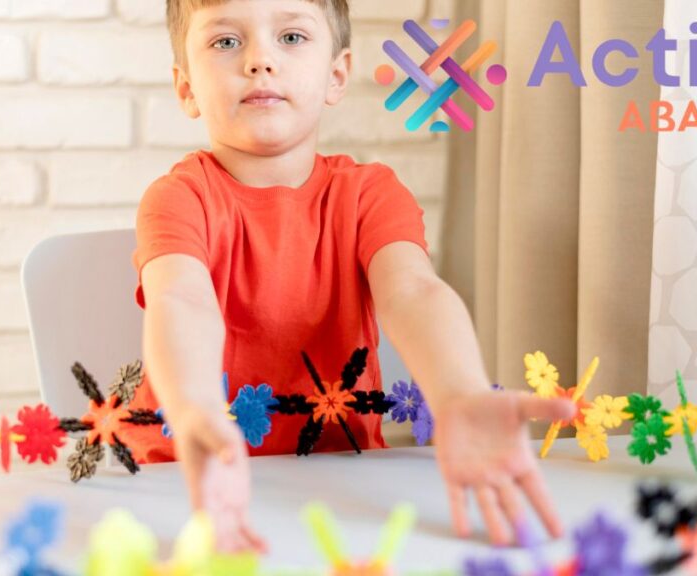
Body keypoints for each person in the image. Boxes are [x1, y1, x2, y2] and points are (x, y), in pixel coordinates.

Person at [129, 0, 576, 552]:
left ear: (336, 75)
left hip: (340, 481)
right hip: (189, 486)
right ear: (187, 88)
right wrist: (195, 408)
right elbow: (181, 299)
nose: (259, 60)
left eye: (291, 38)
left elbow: (413, 290)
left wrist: (459, 391)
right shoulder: (177, 198)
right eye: (226, 42)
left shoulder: (369, 194)